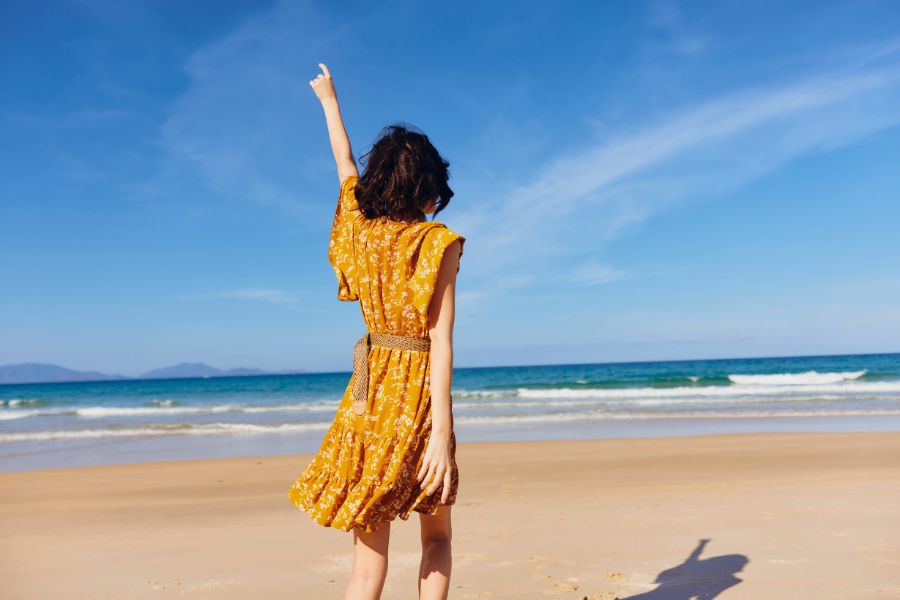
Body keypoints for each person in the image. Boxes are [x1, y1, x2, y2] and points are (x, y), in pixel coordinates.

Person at [288, 63, 465, 600]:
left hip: (368, 400)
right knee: (436, 537)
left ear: (383, 181)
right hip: (416, 400)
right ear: (428, 184)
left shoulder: (362, 236)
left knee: (366, 566)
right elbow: (440, 339)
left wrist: (328, 101)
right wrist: (440, 436)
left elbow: (344, 164)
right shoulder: (439, 243)